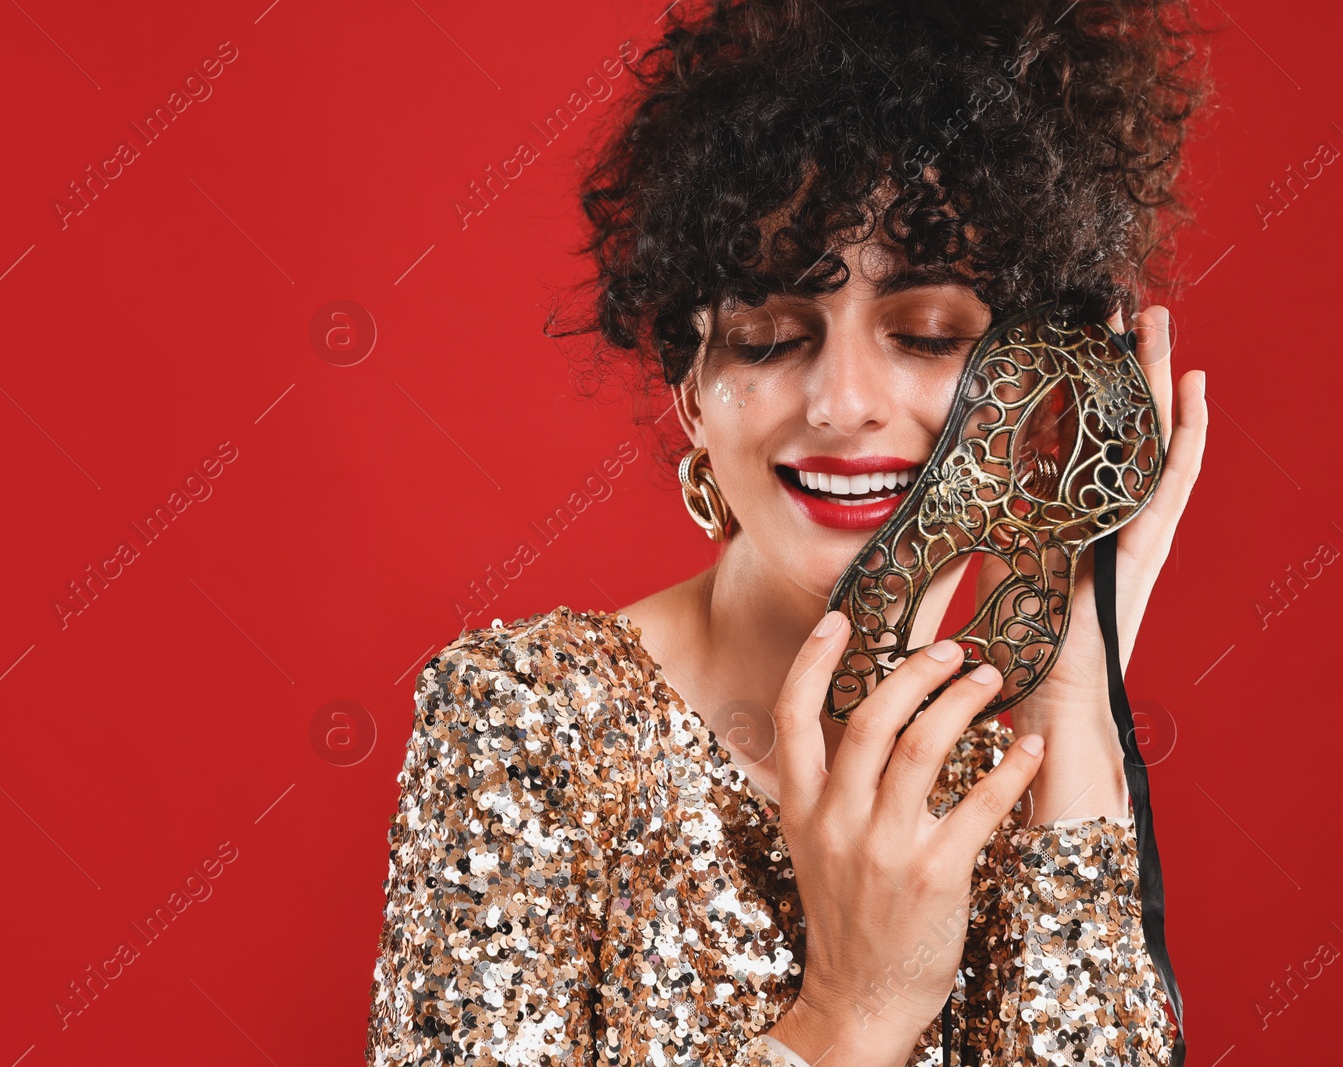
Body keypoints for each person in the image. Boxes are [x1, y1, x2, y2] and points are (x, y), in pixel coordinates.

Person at [365, 0, 1211, 1063]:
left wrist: (1074, 697)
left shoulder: (1026, 770)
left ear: (1035, 388)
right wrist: (849, 1014)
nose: (841, 402)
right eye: (768, 339)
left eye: (925, 333)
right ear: (690, 394)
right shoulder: (532, 719)